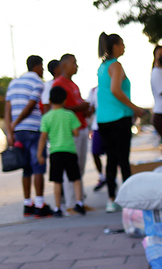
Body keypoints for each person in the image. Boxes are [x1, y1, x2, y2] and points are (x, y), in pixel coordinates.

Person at [97, 32, 147, 213]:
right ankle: (129, 200)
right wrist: (135, 108)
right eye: (122, 44)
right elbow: (116, 90)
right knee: (123, 160)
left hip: (103, 119)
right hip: (119, 118)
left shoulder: (102, 67)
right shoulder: (116, 65)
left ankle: (112, 200)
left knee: (111, 159)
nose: (124, 47)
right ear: (115, 46)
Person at [4, 55, 53, 219]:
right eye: (42, 67)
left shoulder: (13, 83)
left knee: (26, 169)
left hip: (18, 132)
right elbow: (31, 104)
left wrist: (10, 130)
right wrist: (16, 121)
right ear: (38, 66)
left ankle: (27, 204)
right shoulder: (38, 82)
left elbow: (7, 109)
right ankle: (40, 205)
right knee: (38, 165)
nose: (43, 70)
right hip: (34, 129)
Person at [36, 86, 86, 216]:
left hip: (55, 152)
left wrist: (39, 154)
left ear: (50, 100)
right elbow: (76, 132)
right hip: (69, 150)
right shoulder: (70, 115)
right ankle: (79, 203)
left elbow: (43, 137)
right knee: (75, 178)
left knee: (57, 180)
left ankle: (58, 208)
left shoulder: (46, 117)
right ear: (65, 100)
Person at [52, 54, 92, 194]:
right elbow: (58, 108)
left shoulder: (73, 84)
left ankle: (79, 200)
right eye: (73, 63)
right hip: (70, 132)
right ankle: (71, 203)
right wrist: (80, 108)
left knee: (79, 167)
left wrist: (87, 110)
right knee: (71, 168)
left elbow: (78, 104)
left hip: (81, 127)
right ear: (64, 66)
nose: (76, 66)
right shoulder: (58, 84)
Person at [86, 86, 106, 191]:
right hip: (97, 126)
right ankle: (102, 176)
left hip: (110, 125)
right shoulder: (93, 90)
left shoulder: (112, 87)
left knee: (112, 155)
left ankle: (111, 178)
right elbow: (90, 107)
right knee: (95, 152)